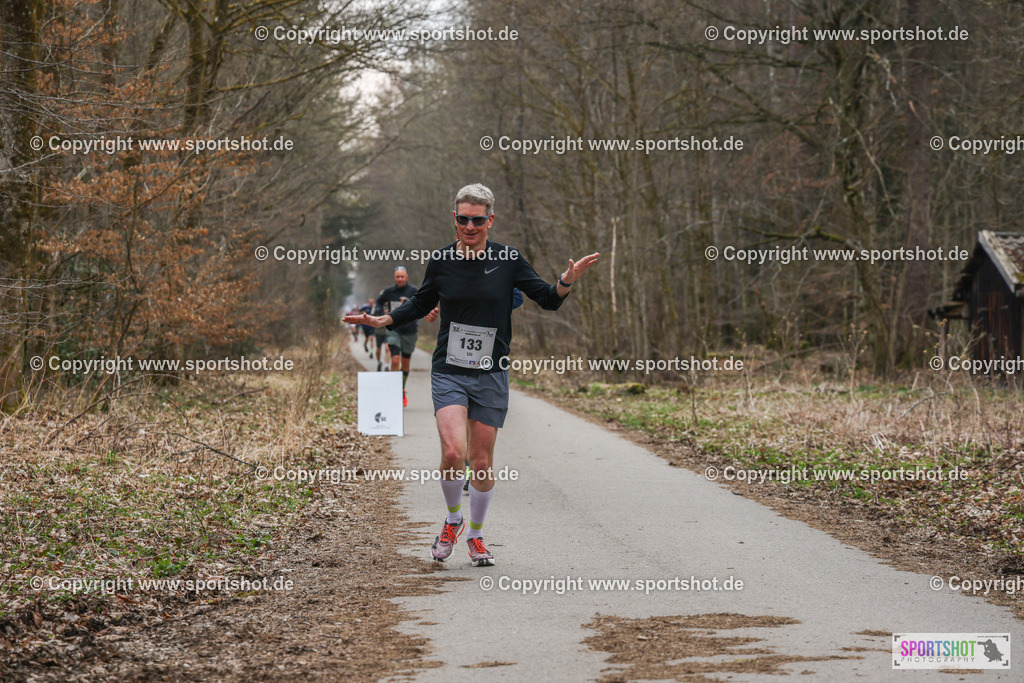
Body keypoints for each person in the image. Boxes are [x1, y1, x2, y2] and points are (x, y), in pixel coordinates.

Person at [345, 183, 598, 566]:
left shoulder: (509, 259)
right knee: (452, 451)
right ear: (455, 219)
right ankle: (452, 520)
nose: (469, 225)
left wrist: (567, 281)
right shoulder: (442, 260)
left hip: (491, 371)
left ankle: (476, 536)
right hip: (449, 368)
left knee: (480, 463)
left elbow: (546, 300)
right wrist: (385, 318)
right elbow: (421, 301)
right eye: (463, 218)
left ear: (490, 220)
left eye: (477, 219)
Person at [376, 267, 420, 406]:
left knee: (405, 363)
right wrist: (382, 312)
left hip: (410, 331)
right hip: (394, 330)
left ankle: (401, 389)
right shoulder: (389, 291)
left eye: (402, 276)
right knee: (395, 360)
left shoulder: (413, 291)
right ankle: (394, 391)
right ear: (394, 278)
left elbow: (423, 304)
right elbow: (379, 302)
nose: (400, 279)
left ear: (406, 277)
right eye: (397, 276)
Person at [372, 292, 391, 371]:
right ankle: (379, 362)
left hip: (388, 331)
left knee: (387, 348)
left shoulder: (390, 305)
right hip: (379, 331)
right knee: (378, 349)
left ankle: (386, 366)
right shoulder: (377, 306)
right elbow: (372, 316)